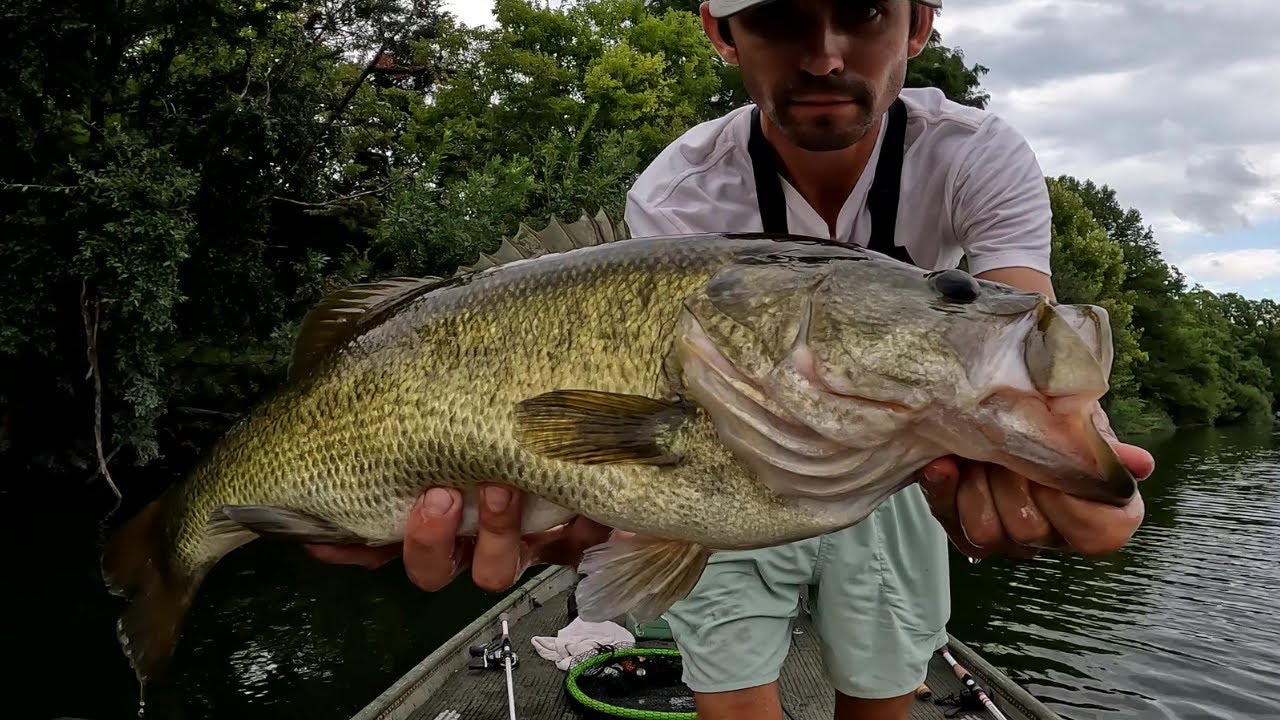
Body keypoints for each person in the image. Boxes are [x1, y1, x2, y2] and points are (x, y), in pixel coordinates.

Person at [307, 1, 1156, 718]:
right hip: (711, 457)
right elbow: (624, 391)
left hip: (904, 455)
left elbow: (1022, 315)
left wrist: (1059, 457)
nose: (824, 53)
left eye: (863, 10)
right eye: (780, 17)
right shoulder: (681, 187)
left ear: (920, 24)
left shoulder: (975, 150)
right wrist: (592, 507)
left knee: (888, 687)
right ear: (721, 32)